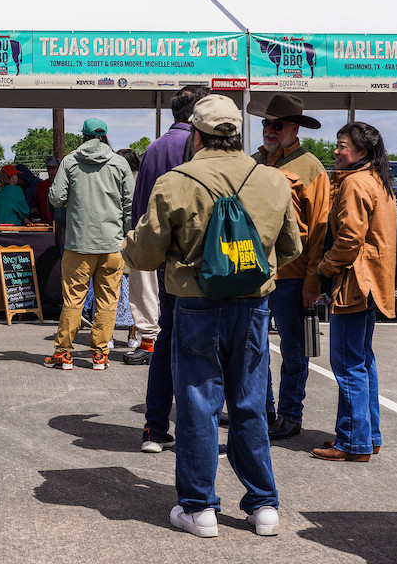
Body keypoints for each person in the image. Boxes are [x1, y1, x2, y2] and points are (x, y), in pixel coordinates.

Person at [124, 95, 301, 538]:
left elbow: (145, 254)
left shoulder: (175, 180)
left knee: (199, 406)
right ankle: (264, 507)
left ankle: (199, 507)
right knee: (250, 404)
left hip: (197, 304)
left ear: (197, 135)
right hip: (253, 304)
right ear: (238, 134)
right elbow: (291, 249)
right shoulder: (272, 179)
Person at [310, 122, 397, 463]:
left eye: (343, 145)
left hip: (355, 284)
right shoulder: (377, 180)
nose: (336, 150)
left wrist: (323, 268)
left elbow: (348, 240)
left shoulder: (356, 183)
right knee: (362, 362)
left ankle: (353, 442)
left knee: (348, 365)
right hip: (372, 283)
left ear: (362, 152)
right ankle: (368, 436)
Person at [130, 85, 208, 449]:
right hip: (205, 262)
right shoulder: (204, 148)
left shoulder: (155, 149)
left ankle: (154, 427)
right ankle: (199, 429)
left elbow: (139, 210)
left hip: (166, 260)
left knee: (167, 337)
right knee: (203, 343)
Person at [247, 93, 329, 440]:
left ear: (294, 128)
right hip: (252, 272)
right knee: (253, 346)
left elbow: (321, 229)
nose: (268, 129)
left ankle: (290, 413)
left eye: (276, 124)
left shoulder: (311, 168)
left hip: (294, 276)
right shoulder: (251, 163)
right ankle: (261, 409)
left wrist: (313, 282)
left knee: (293, 350)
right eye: (265, 123)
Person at [45, 118, 133, 372]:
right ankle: (100, 355)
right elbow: (130, 204)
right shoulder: (119, 163)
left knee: (73, 300)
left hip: (78, 243)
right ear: (106, 136)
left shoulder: (70, 162)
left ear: (82, 137)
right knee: (107, 301)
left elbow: (57, 198)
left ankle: (63, 353)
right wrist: (125, 234)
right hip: (112, 245)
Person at [31, 155, 60, 224]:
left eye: (53, 168)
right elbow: (36, 204)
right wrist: (34, 214)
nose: (50, 172)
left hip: (61, 223)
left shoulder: (64, 185)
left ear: (59, 168)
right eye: (48, 169)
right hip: (45, 223)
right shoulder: (41, 185)